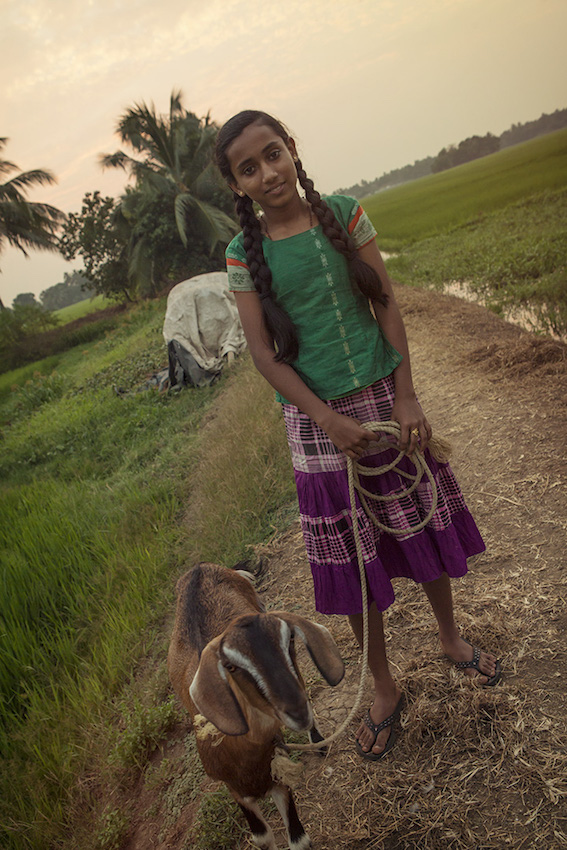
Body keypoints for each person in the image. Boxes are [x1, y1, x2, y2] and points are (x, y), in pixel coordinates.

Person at [215, 110, 501, 761]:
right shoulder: (241, 256)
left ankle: (450, 639)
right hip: (319, 428)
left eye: (272, 154)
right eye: (248, 168)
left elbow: (386, 303)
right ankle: (382, 686)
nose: (267, 173)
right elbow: (265, 356)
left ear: (291, 149)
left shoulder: (343, 214)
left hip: (381, 401)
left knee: (421, 525)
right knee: (350, 557)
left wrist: (404, 394)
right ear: (237, 184)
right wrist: (326, 418)